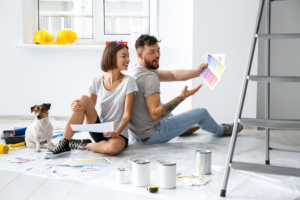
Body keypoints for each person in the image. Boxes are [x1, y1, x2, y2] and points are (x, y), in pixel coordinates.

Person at [127, 35, 243, 144]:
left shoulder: (135, 71)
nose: (157, 55)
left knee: (154, 100)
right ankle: (221, 130)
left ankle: (182, 128)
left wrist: (197, 72)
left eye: (158, 50)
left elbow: (173, 75)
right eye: (152, 52)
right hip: (152, 135)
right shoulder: (150, 78)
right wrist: (181, 97)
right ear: (140, 55)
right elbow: (155, 115)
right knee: (201, 113)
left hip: (136, 135)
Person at [44, 41, 138, 158]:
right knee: (83, 98)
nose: (128, 60)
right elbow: (88, 109)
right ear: (111, 56)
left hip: (118, 134)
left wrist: (118, 131)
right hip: (99, 129)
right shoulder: (96, 81)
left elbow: (127, 113)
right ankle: (65, 142)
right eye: (124, 56)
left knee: (112, 148)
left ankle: (85, 144)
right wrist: (76, 106)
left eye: (128, 56)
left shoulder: (129, 82)